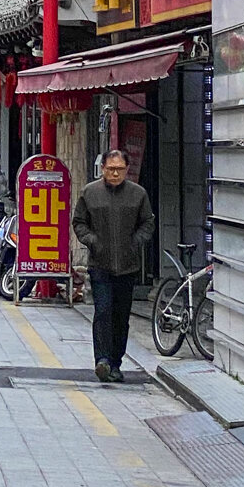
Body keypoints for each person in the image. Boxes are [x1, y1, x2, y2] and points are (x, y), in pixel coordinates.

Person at [72, 148, 154, 384]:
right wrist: (91, 241)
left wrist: (136, 242)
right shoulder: (90, 192)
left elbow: (148, 223)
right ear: (103, 169)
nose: (115, 173)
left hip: (128, 267)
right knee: (103, 311)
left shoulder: (138, 194)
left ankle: (116, 363)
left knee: (120, 316)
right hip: (100, 264)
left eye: (119, 169)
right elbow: (79, 222)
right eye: (110, 169)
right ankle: (103, 360)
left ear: (127, 170)